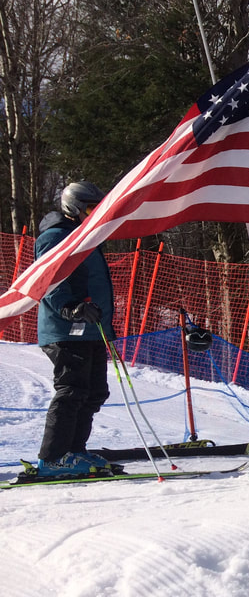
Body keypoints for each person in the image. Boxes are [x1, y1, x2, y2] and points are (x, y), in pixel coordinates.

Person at [33, 180, 117, 478]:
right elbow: (49, 280)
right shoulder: (55, 237)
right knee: (72, 391)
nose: (95, 214)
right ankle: (53, 457)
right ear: (75, 208)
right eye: (91, 208)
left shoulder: (84, 237)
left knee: (94, 392)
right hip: (66, 328)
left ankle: (73, 450)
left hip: (92, 328)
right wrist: (71, 307)